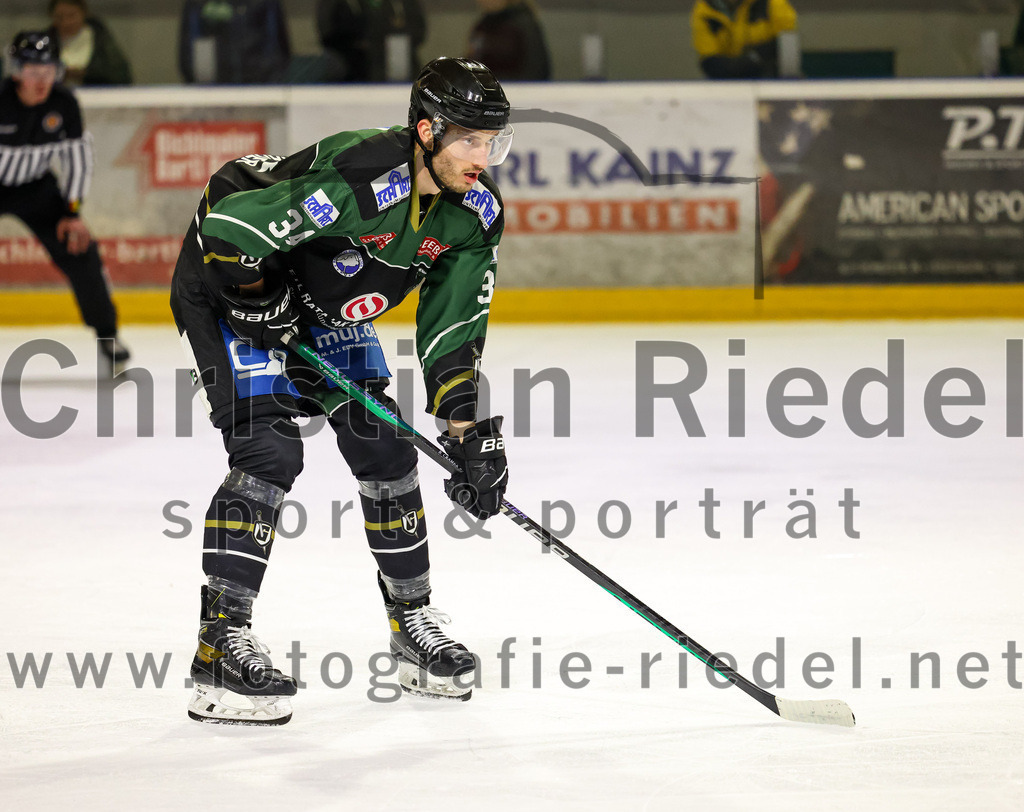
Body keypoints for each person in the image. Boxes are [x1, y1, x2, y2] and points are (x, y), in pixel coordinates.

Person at [171, 57, 513, 725]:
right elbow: (231, 231)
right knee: (269, 455)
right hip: (225, 284)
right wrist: (257, 297)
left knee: (386, 450)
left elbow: (452, 330)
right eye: (469, 139)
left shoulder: (473, 215)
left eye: (492, 141)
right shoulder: (363, 178)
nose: (483, 157)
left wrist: (468, 431)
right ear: (426, 130)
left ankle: (412, 626)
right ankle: (219, 645)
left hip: (322, 302)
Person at [0, 31, 130, 372]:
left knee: (80, 249)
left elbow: (78, 157)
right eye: (31, 70)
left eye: (49, 70)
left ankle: (109, 337)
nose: (40, 79)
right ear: (15, 71)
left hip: (36, 189)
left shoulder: (64, 104)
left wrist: (72, 212)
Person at [178, 0, 291, 84]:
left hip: (259, 89)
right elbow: (189, 54)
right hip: (211, 91)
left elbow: (278, 49)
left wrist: (268, 84)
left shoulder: (266, 3)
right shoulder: (198, 4)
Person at [316, 0, 427, 82]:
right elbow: (328, 32)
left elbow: (418, 30)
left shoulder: (404, 4)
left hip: (399, 63)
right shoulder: (348, 5)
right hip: (355, 68)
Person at [691, 0, 797, 79]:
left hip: (772, 79)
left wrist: (756, 56)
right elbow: (709, 60)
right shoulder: (704, 11)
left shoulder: (771, 3)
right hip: (727, 83)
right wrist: (747, 62)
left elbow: (787, 44)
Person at [47, 0, 132, 86]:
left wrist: (87, 74)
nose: (65, 22)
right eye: (59, 17)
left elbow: (120, 75)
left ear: (84, 14)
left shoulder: (101, 39)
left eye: (71, 16)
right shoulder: (46, 41)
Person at [467, 0, 551, 81]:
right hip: (486, 90)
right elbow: (472, 60)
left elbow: (536, 68)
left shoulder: (524, 24)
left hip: (519, 89)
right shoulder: (482, 27)